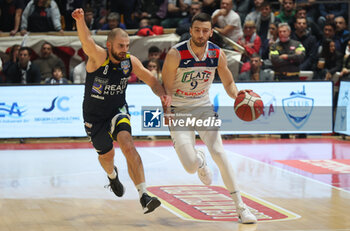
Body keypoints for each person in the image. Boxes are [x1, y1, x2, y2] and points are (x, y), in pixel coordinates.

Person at [161, 12, 257, 224]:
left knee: (219, 152)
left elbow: (229, 84)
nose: (201, 34)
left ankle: (241, 207)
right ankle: (200, 160)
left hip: (203, 108)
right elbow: (166, 87)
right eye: (197, 30)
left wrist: (240, 96)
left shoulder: (217, 53)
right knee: (190, 166)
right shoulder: (176, 54)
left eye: (205, 30)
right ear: (191, 30)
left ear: (211, 32)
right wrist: (167, 112)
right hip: (179, 109)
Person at [72, 8, 170, 213]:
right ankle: (112, 176)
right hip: (94, 117)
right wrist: (80, 20)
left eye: (126, 45)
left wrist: (162, 95)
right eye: (120, 46)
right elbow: (87, 40)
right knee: (107, 158)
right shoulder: (99, 57)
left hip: (117, 110)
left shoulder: (129, 62)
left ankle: (144, 194)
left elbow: (151, 80)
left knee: (128, 145)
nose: (124, 49)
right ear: (109, 45)